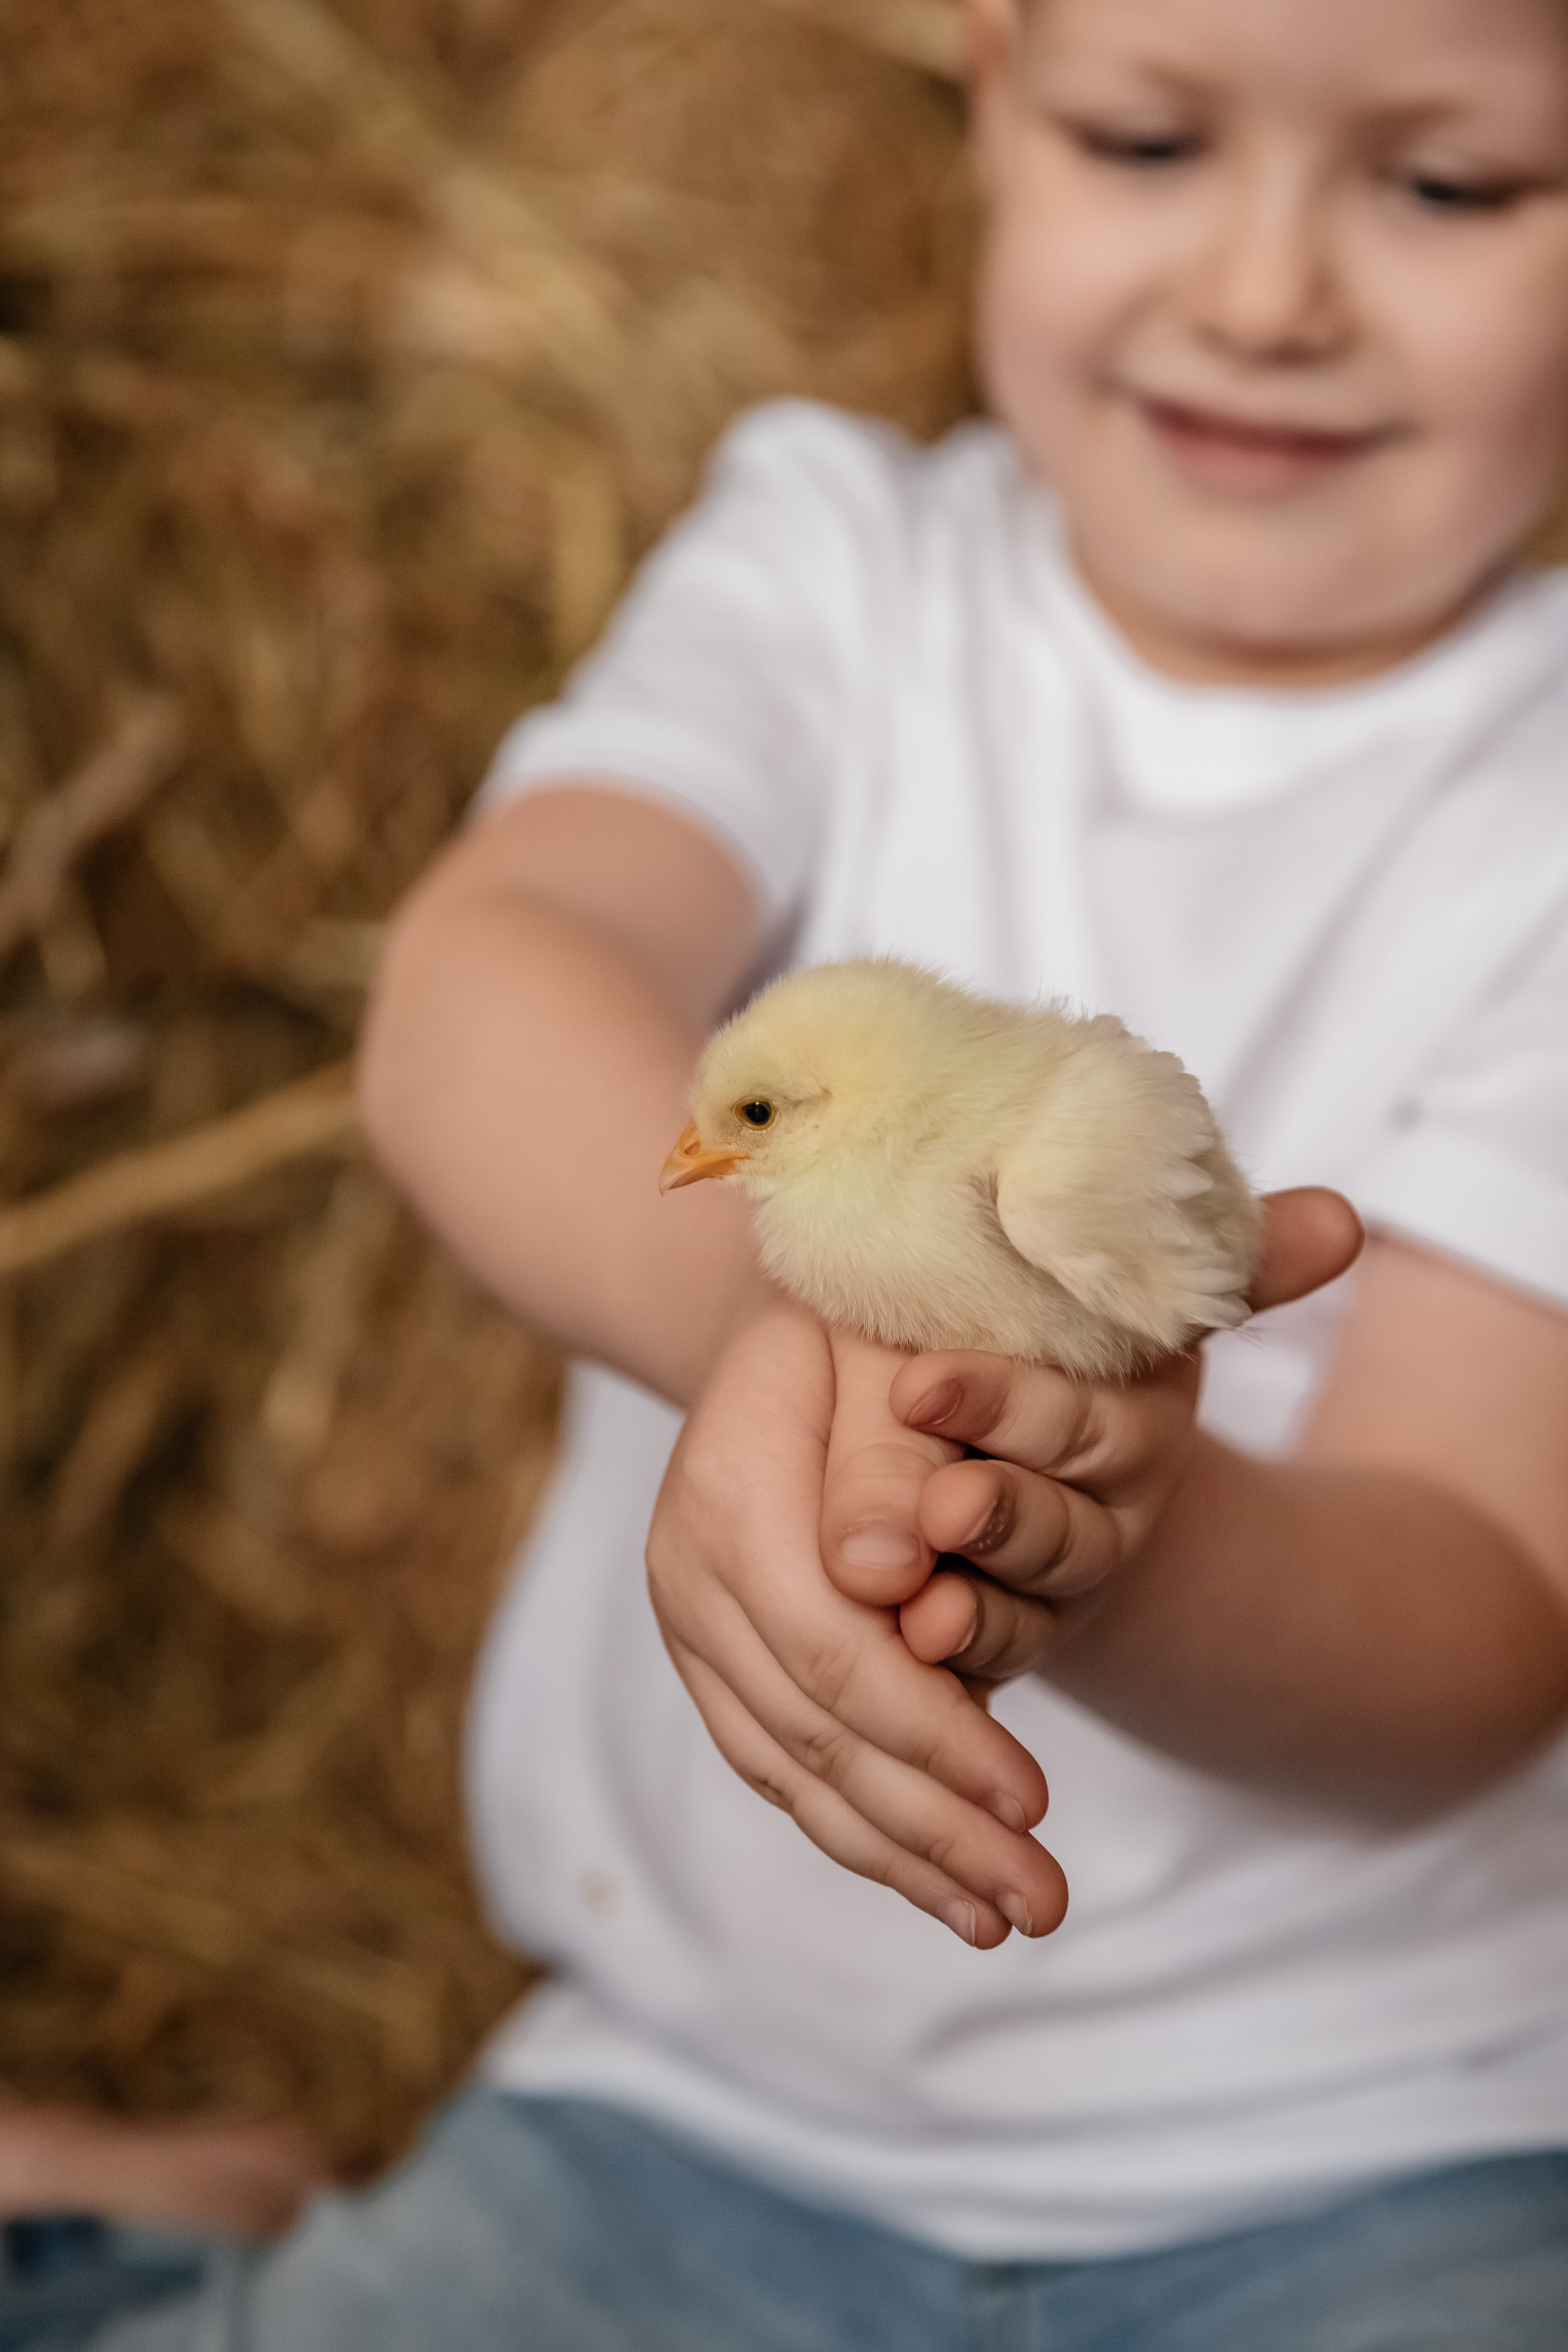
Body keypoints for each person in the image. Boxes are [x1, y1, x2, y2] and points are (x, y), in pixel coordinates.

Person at [7, 0, 1568, 2342]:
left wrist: (1115, 1542)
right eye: (1150, 136)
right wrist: (772, 1336)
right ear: (989, 90)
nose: (1266, 294)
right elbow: (485, 979)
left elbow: (1479, 1621)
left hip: (1375, 2148)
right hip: (678, 2114)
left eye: (1448, 184)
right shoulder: (838, 561)